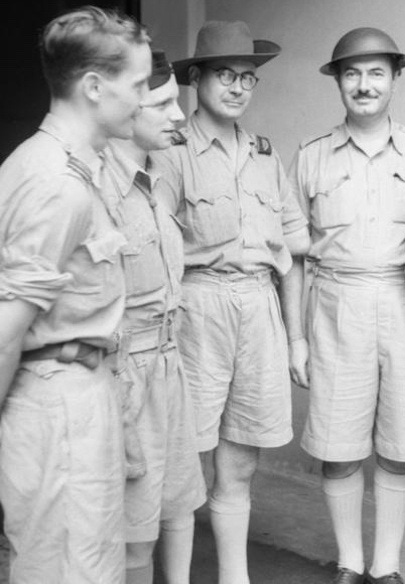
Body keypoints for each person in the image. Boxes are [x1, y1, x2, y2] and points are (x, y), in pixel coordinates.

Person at [286, 27, 405, 584]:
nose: (365, 85)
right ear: (338, 82)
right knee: (339, 447)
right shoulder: (311, 156)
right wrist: (295, 337)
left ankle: (385, 568)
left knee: (400, 444)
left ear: (394, 80)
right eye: (353, 74)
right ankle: (349, 563)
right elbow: (292, 254)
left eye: (376, 73)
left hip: (404, 306)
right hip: (336, 305)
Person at [154, 21, 310, 584]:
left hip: (259, 310)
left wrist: (296, 337)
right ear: (196, 79)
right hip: (196, 310)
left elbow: (292, 256)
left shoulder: (268, 156)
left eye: (248, 77)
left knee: (241, 459)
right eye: (225, 74)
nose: (239, 87)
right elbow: (158, 253)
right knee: (183, 464)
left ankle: (233, 577)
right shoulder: (171, 153)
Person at [0, 7, 151, 583]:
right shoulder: (54, 184)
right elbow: (6, 332)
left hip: (79, 396)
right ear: (94, 86)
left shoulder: (76, 168)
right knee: (68, 569)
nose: (142, 99)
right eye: (137, 85)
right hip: (55, 406)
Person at [102, 49, 206, 584]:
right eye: (164, 103)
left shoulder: (150, 181)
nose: (179, 115)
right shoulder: (96, 190)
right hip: (125, 380)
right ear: (126, 108)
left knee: (171, 513)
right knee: (132, 544)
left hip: (167, 369)